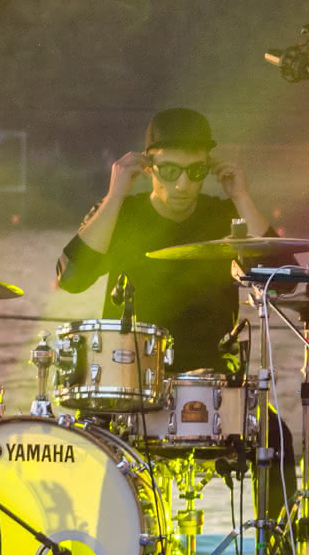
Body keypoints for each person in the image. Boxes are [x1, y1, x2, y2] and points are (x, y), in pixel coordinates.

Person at [56, 107, 272, 373]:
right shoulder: (119, 215)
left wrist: (241, 197)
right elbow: (72, 279)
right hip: (131, 377)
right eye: (170, 171)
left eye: (195, 171)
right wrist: (115, 196)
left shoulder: (226, 218)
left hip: (212, 380)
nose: (182, 184)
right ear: (148, 168)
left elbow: (284, 281)